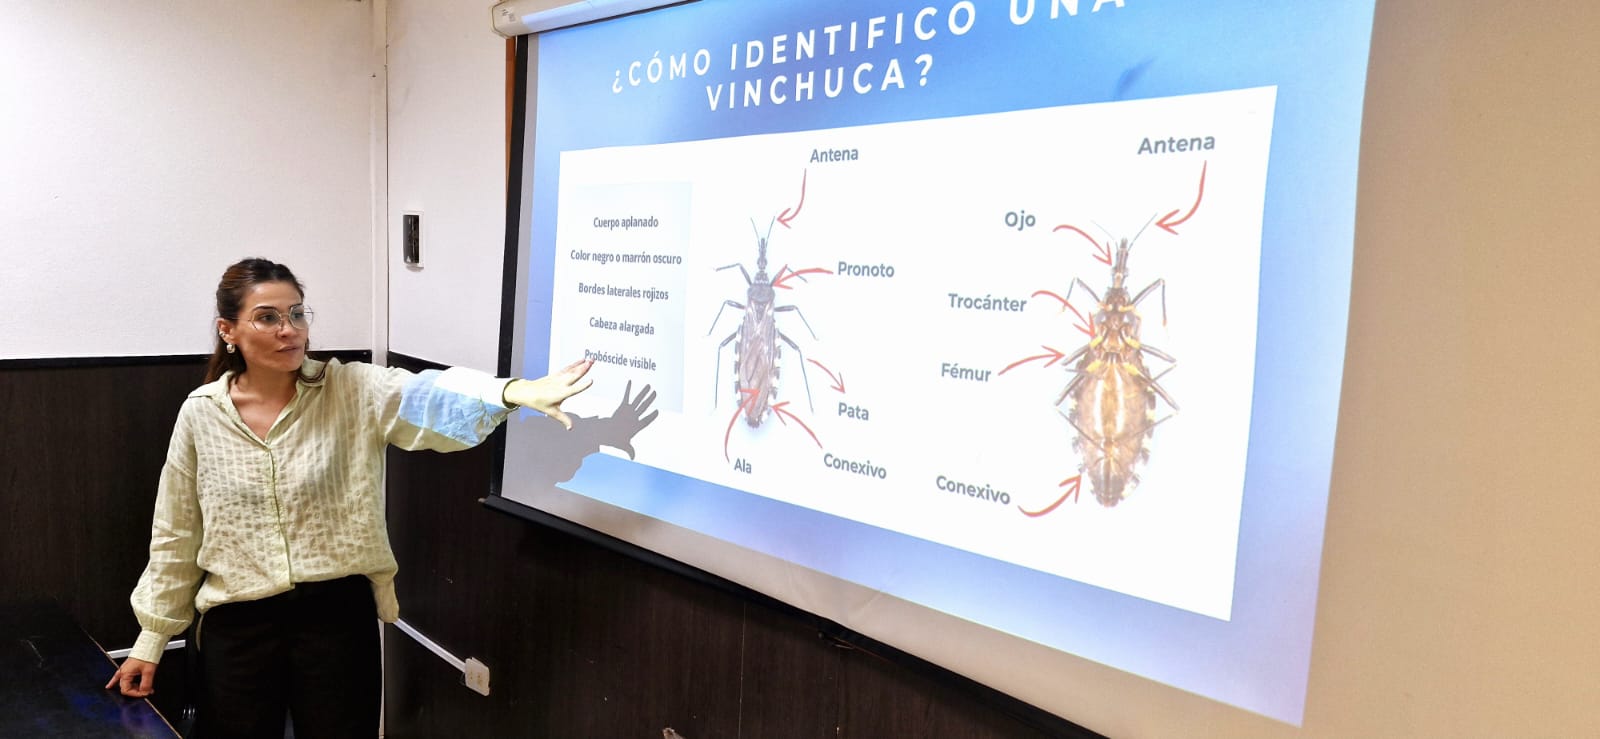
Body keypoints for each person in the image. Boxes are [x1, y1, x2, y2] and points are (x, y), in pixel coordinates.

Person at [105, 257, 593, 738]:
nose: (289, 330)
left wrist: (511, 392)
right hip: (237, 623)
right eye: (267, 318)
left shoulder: (351, 388)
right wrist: (151, 639)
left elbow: (427, 395)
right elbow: (177, 531)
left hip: (335, 618)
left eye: (297, 314)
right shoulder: (202, 413)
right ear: (228, 330)